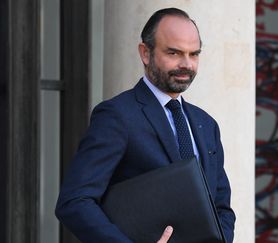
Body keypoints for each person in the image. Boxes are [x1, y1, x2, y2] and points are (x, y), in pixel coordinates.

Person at [55, 8, 236, 243]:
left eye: (194, 54)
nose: (187, 64)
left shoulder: (206, 124)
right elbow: (74, 201)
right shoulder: (116, 116)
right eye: (174, 52)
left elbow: (221, 207)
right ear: (145, 53)